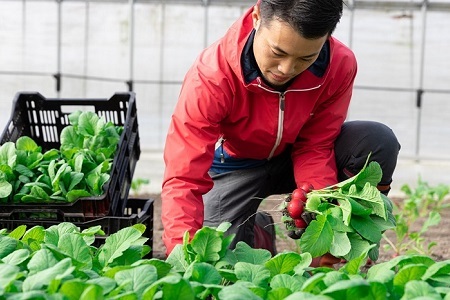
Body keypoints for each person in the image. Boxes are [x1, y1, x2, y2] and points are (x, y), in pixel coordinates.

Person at [161, 0, 401, 266]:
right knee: (218, 256)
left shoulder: (339, 65)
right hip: (238, 163)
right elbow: (184, 176)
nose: (286, 69)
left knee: (376, 142)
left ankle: (341, 257)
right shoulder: (212, 75)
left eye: (305, 58)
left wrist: (319, 210)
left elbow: (316, 144)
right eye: (277, 52)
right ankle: (260, 232)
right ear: (256, 16)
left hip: (297, 157)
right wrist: (183, 258)